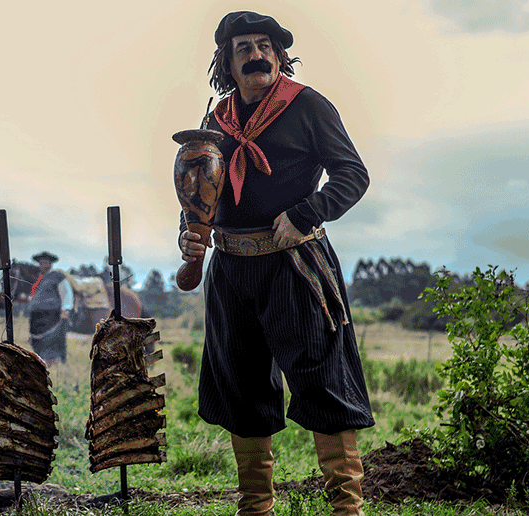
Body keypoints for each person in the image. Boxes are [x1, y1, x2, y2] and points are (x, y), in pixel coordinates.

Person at [178, 12, 375, 516]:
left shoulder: (308, 106)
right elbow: (200, 188)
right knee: (242, 390)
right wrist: (192, 231)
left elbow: (352, 174)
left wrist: (308, 214)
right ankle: (255, 509)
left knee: (323, 385)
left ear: (279, 55)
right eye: (242, 47)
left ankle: (346, 510)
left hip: (296, 267)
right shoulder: (216, 121)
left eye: (264, 45)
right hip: (231, 273)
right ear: (227, 61)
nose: (255, 54)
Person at [26, 251, 73, 365]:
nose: (43, 265)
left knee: (51, 341)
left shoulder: (58, 276)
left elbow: (66, 292)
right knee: (38, 344)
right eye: (41, 263)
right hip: (37, 318)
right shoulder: (39, 280)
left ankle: (56, 365)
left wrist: (65, 309)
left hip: (52, 316)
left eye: (45, 262)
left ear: (50, 264)